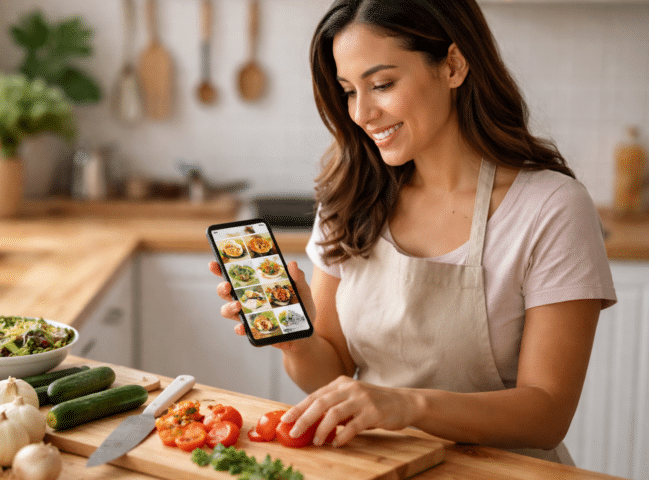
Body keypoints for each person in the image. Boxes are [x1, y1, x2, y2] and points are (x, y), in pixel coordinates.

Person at [209, 0, 616, 464]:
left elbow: (547, 414)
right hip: (379, 467)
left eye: (382, 84)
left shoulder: (551, 207)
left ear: (454, 66)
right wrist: (297, 342)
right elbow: (332, 376)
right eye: (349, 91)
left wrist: (408, 406)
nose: (362, 113)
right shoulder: (351, 197)